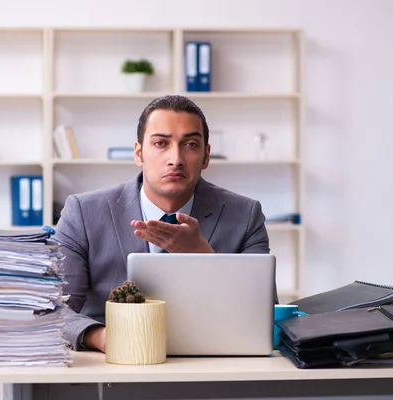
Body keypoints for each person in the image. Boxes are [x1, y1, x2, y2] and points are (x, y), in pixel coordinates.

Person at [54, 94, 270, 353]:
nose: (176, 158)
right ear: (138, 153)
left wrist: (204, 257)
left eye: (190, 144)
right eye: (160, 143)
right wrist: (102, 337)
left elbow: (264, 314)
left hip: (211, 364)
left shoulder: (246, 215)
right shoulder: (83, 212)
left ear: (205, 156)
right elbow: (56, 307)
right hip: (116, 368)